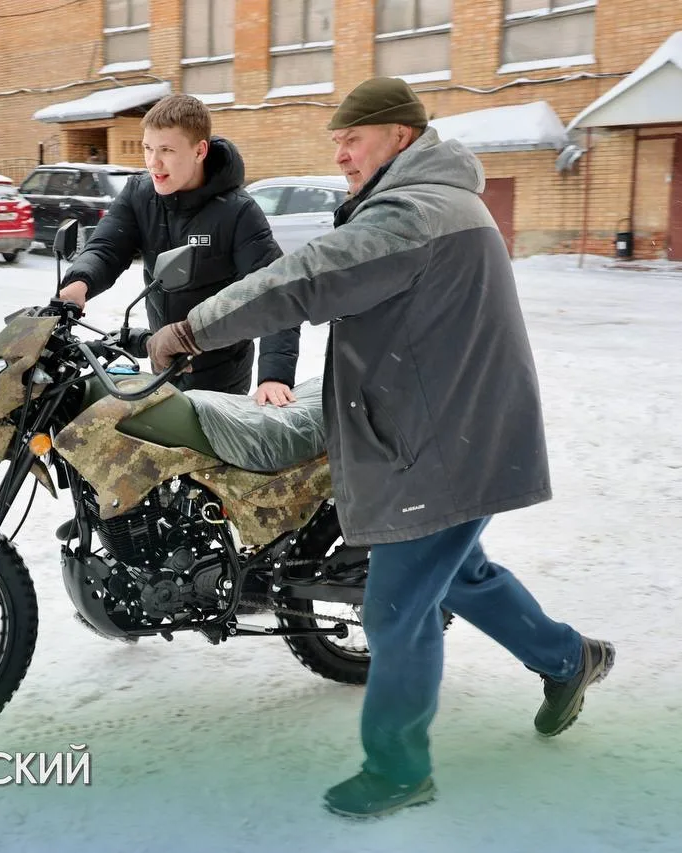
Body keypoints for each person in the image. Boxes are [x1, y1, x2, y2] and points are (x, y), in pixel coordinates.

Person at [144, 77, 615, 818]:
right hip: (458, 430)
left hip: (441, 445)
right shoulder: (437, 201)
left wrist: (189, 329)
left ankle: (399, 769)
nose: (340, 154)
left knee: (395, 610)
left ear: (400, 136)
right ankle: (568, 657)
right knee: (459, 575)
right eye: (337, 141)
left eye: (353, 139)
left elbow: (303, 280)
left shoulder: (411, 214)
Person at [58, 93, 301, 406]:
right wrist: (79, 283)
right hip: (162, 358)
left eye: (167, 150)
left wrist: (274, 376)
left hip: (220, 376)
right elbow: (107, 248)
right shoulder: (139, 194)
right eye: (148, 148)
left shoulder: (237, 212)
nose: (153, 162)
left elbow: (274, 291)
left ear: (200, 151)